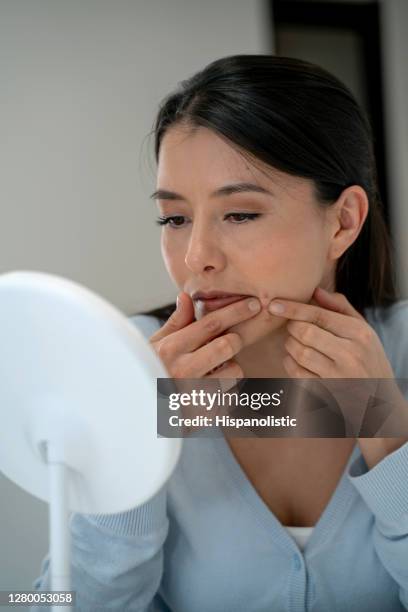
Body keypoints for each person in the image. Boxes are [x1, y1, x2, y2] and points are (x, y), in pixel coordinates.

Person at [32, 54, 408, 611]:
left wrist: (390, 433)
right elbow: (46, 603)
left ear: (343, 220)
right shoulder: (126, 368)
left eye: (240, 215)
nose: (196, 256)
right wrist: (131, 455)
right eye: (175, 218)